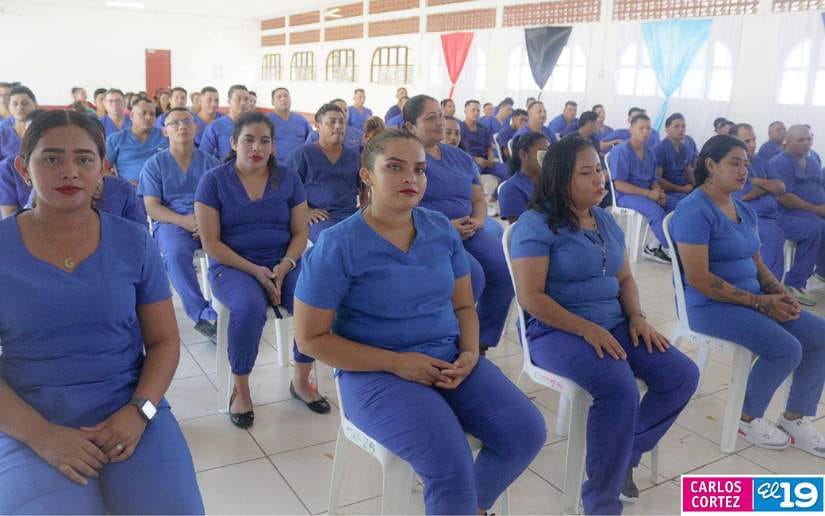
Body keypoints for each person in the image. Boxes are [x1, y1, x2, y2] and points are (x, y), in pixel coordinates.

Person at [293, 128, 546, 515]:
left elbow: (464, 307)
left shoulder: (440, 229)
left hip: (447, 357)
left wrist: (469, 353)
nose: (410, 178)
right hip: (374, 373)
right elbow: (310, 338)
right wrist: (396, 363)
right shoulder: (338, 244)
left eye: (420, 169)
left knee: (526, 431)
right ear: (367, 175)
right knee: (450, 464)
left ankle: (471, 506)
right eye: (395, 167)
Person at [0, 109, 203, 514]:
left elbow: (164, 342)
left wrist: (141, 410)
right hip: (28, 415)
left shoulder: (134, 242)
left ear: (103, 170)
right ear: (24, 168)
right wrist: (39, 434)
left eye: (84, 159)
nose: (69, 171)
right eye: (51, 158)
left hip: (129, 405)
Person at [511, 135, 698, 515]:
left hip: (614, 323)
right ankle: (601, 501)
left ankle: (624, 453)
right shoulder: (536, 224)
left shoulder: (604, 219)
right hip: (555, 330)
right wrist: (585, 328)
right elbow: (531, 297)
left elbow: (625, 278)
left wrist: (637, 317)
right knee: (618, 386)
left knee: (681, 374)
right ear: (561, 178)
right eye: (587, 172)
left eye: (599, 169)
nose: (599, 178)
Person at [671, 134, 825, 458]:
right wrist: (759, 303)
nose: (744, 171)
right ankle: (746, 417)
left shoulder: (742, 209)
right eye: (735, 163)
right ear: (711, 165)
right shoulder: (693, 210)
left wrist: (781, 293)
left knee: (820, 336)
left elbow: (757, 265)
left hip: (752, 299)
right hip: (710, 306)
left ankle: (794, 417)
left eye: (746, 164)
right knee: (786, 348)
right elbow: (699, 279)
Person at [194, 112, 330, 428]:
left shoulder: (288, 178)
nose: (257, 147)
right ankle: (240, 390)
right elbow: (211, 243)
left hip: (284, 261)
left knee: (312, 297)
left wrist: (284, 265)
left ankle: (301, 379)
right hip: (233, 265)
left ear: (273, 146)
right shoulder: (213, 181)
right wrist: (256, 271)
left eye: (264, 141)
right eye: (248, 140)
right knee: (249, 306)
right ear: (233, 142)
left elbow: (300, 233)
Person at [404, 95, 514, 354]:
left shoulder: (461, 158)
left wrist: (478, 221)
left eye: (440, 116)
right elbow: (403, 206)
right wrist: (446, 226)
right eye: (430, 118)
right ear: (410, 126)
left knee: (504, 270)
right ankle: (447, 342)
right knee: (472, 275)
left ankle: (480, 341)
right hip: (429, 232)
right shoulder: (406, 159)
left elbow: (477, 198)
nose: (439, 123)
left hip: (470, 229)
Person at [139, 107, 220, 340]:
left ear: (195, 128)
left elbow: (222, 200)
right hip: (171, 222)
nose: (182, 126)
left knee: (231, 248)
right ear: (165, 131)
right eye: (175, 123)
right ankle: (203, 314)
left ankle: (232, 309)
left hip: (208, 220)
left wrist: (206, 223)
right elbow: (151, 207)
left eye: (187, 121)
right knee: (175, 253)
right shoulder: (155, 165)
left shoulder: (211, 163)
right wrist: (183, 221)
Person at [729, 123, 822, 306]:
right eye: (747, 141)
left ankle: (795, 284)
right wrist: (767, 185)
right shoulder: (731, 165)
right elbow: (744, 195)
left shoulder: (759, 161)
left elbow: (781, 186)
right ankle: (769, 292)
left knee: (814, 229)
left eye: (754, 139)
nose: (753, 144)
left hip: (774, 214)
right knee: (775, 234)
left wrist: (758, 183)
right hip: (750, 217)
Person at [286, 103, 361, 243]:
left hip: (350, 215)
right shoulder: (302, 155)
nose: (338, 126)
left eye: (342, 122)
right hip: (319, 218)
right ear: (318, 126)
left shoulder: (354, 158)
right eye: (332, 122)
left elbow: (367, 187)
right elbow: (286, 190)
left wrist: (366, 210)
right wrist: (306, 211)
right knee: (334, 240)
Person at [609, 113, 677, 264]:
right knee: (656, 212)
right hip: (626, 195)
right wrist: (648, 193)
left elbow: (653, 179)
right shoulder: (621, 151)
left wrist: (658, 192)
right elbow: (619, 184)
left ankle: (656, 245)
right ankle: (671, 249)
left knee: (678, 207)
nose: (646, 132)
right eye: (641, 128)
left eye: (648, 128)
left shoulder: (649, 152)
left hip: (647, 193)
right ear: (631, 129)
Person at [770, 125, 825, 303]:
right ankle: (794, 284)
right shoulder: (779, 163)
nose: (806, 143)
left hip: (810, 211)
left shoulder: (812, 161)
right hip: (784, 214)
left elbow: (818, 188)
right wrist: (817, 209)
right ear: (787, 141)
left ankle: (822, 273)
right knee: (815, 228)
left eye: (809, 139)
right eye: (800, 140)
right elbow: (784, 198)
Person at [106, 97, 168, 184]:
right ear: (131, 115)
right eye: (143, 113)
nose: (148, 117)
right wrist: (120, 184)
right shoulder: (115, 139)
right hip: (127, 189)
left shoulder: (165, 137)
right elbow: (102, 169)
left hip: (161, 187)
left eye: (152, 114)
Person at [0, 108, 44, 217]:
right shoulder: (8, 167)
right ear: (23, 134)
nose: (38, 138)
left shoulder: (68, 163)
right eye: (31, 132)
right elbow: (9, 218)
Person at [498, 131, 549, 223]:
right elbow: (520, 227)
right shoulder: (510, 189)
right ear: (523, 155)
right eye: (542, 154)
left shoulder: (551, 181)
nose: (546, 158)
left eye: (547, 154)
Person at [459, 100, 509, 181]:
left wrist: (490, 160)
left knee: (508, 171)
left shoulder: (482, 128)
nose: (476, 113)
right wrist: (475, 159)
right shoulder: (459, 128)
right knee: (474, 174)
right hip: (469, 162)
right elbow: (458, 151)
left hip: (486, 162)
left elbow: (489, 147)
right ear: (465, 111)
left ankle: (498, 189)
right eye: (473, 110)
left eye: (478, 110)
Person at [653, 113, 697, 201]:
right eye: (676, 126)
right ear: (667, 129)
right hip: (668, 191)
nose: (681, 129)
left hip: (683, 187)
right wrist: (681, 189)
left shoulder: (683, 149)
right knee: (689, 203)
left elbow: (687, 171)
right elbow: (657, 180)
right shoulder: (660, 149)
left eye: (683, 126)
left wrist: (697, 186)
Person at [200, 84, 250, 161]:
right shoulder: (215, 127)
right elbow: (203, 157)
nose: (243, 103)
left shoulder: (254, 126)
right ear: (229, 101)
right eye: (238, 99)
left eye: (246, 99)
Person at [267, 87, 312, 167]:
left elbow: (311, 140)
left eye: (286, 96)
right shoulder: (266, 120)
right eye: (279, 97)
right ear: (273, 102)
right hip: (274, 166)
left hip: (299, 166)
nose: (283, 99)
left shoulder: (301, 120)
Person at [0, 86, 37, 162]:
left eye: (24, 103)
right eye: (14, 104)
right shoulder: (2, 134)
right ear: (9, 107)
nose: (19, 107)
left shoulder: (45, 131)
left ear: (35, 105)